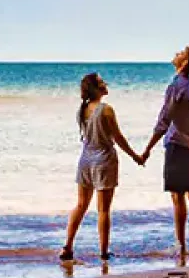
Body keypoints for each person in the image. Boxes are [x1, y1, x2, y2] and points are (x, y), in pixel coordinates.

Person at [60, 72, 143, 263]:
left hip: (85, 160)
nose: (105, 83)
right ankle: (104, 252)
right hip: (104, 160)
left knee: (81, 205)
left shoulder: (82, 110)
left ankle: (68, 246)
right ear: (96, 88)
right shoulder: (106, 110)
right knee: (103, 209)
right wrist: (135, 156)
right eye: (101, 82)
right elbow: (118, 137)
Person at [142, 46, 189, 255]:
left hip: (177, 144)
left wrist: (148, 148)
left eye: (180, 53)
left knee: (177, 196)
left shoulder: (176, 85)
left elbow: (164, 119)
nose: (176, 54)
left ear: (184, 62)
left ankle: (181, 245)